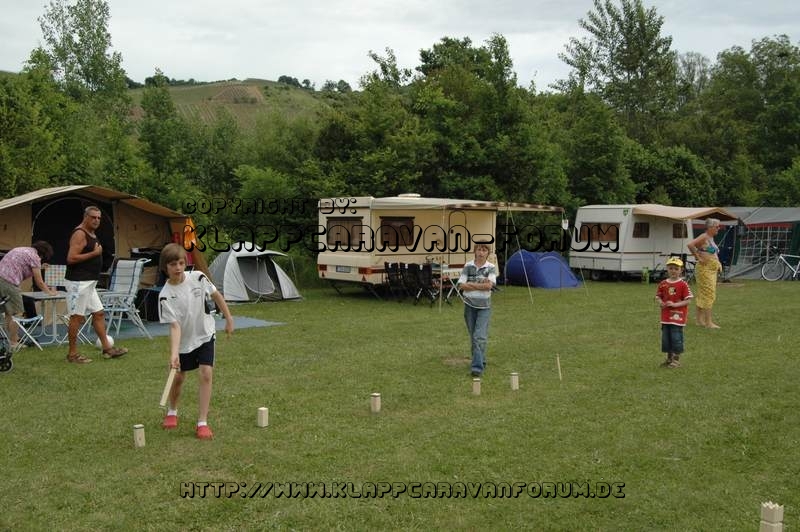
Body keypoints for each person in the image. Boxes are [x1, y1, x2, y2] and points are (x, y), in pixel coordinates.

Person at [158, 243, 234, 440]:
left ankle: (202, 422)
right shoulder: (164, 296)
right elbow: (174, 327)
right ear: (165, 267)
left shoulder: (199, 278)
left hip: (205, 334)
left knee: (206, 373)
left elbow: (216, 295)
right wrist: (174, 354)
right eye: (173, 264)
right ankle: (172, 411)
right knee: (178, 378)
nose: (178, 268)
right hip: (184, 342)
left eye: (181, 263)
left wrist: (228, 318)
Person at [65, 206, 128, 363]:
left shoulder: (91, 233)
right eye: (93, 217)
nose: (96, 220)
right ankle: (72, 354)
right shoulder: (80, 233)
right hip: (78, 282)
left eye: (99, 218)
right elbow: (71, 258)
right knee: (76, 318)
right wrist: (94, 254)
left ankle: (107, 349)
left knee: (99, 313)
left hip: (90, 282)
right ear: (85, 217)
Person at [0, 241, 59, 349]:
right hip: (9, 282)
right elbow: (39, 281)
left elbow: (24, 265)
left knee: (9, 312)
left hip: (1, 279)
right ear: (44, 254)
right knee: (17, 313)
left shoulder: (23, 249)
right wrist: (50, 292)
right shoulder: (35, 257)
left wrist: (40, 267)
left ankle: (13, 338)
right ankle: (13, 343)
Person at [457, 243, 497, 378]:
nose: (481, 252)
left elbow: (489, 286)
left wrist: (471, 285)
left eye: (484, 250)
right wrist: (480, 284)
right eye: (479, 249)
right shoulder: (468, 266)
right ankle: (481, 360)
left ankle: (477, 368)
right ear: (475, 251)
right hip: (469, 305)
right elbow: (461, 285)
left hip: (484, 307)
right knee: (474, 336)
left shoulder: (491, 268)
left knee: (479, 336)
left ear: (488, 253)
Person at [655, 256, 693, 368]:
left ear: (681, 270)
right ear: (667, 269)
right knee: (666, 338)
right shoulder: (663, 283)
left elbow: (688, 300)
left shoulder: (683, 284)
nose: (673, 271)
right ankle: (669, 359)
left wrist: (675, 305)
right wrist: (661, 302)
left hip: (678, 317)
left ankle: (676, 360)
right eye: (671, 268)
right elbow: (658, 296)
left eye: (676, 269)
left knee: (676, 337)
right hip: (665, 317)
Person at [687, 218, 723, 328]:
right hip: (705, 269)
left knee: (703, 293)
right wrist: (698, 257)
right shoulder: (704, 236)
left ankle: (699, 320)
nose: (718, 228)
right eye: (717, 227)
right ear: (710, 227)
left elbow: (707, 250)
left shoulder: (710, 238)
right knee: (708, 293)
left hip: (711, 269)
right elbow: (690, 245)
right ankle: (708, 322)